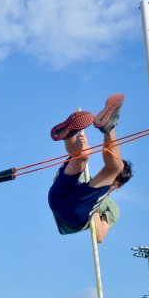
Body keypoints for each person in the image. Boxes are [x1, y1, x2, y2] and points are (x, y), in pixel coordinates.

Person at [48, 93, 133, 243]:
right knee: (84, 155)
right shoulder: (86, 180)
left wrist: (95, 209)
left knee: (85, 156)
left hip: (65, 206)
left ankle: (103, 128)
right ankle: (74, 134)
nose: (111, 182)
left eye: (115, 182)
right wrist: (80, 145)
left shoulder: (111, 208)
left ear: (118, 187)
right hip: (64, 206)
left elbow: (99, 237)